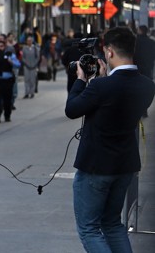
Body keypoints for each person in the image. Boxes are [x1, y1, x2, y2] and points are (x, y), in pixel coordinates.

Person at [64, 26, 155, 252]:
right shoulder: (147, 85)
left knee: (89, 229)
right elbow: (114, 103)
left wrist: (80, 80)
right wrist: (100, 81)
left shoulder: (100, 87)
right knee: (113, 224)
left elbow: (72, 109)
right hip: (125, 165)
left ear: (109, 52)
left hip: (96, 167)